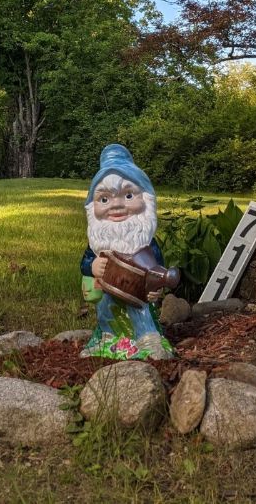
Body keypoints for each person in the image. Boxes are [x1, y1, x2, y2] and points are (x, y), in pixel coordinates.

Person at [79, 144, 175, 360]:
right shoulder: (98, 242)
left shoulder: (145, 243)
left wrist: (156, 288)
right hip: (107, 290)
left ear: (146, 198)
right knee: (105, 307)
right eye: (104, 199)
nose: (116, 206)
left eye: (128, 195)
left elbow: (158, 269)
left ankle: (147, 338)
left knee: (139, 308)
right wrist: (92, 266)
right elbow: (85, 263)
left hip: (139, 294)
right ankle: (107, 337)